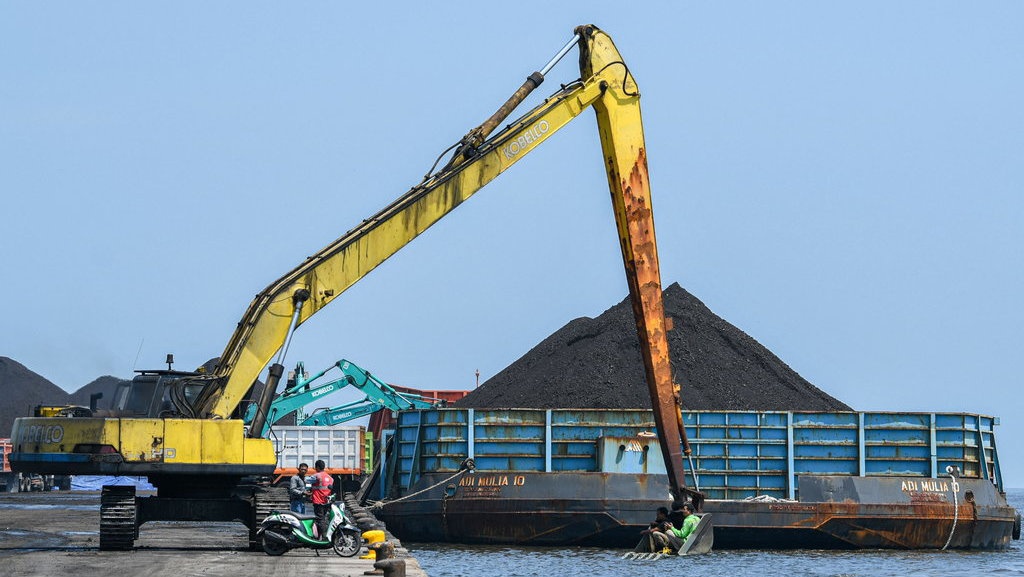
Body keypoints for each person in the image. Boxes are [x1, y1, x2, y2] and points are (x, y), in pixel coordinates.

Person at [309, 459, 334, 539]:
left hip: (318, 500)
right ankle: (319, 536)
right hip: (326, 501)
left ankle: (323, 537)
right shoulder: (330, 478)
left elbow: (306, 480)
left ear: (318, 467)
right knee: (323, 518)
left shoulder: (317, 476)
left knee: (320, 519)